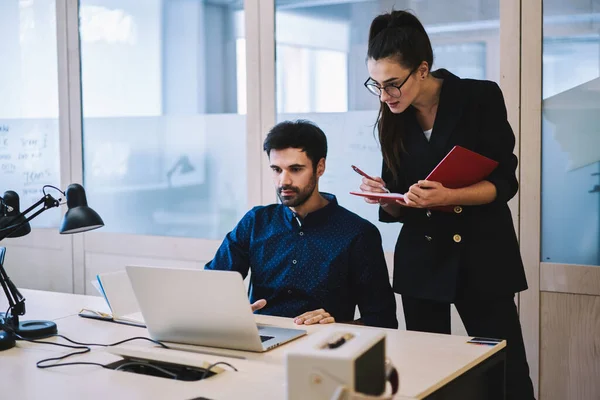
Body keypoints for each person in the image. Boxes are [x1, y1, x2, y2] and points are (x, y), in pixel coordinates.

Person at [358, 10, 535, 399]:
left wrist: (450, 196)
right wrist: (384, 197)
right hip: (422, 260)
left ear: (422, 70)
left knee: (506, 374)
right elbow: (401, 200)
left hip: (483, 254)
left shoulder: (479, 96)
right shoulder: (393, 117)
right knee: (427, 375)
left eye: (392, 84)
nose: (385, 96)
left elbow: (505, 181)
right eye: (377, 85)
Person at [206, 120, 398, 329]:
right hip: (259, 340)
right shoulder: (255, 222)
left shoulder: (358, 234)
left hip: (322, 348)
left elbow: (383, 320)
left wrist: (336, 325)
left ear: (320, 167)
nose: (283, 181)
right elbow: (213, 284)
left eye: (295, 169)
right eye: (276, 170)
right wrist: (231, 311)